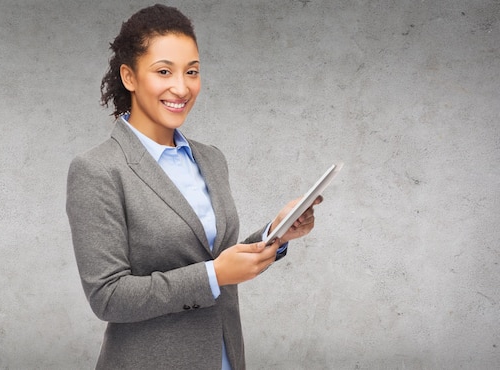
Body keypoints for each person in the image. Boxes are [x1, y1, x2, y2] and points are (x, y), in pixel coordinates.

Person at [66, 4, 321, 369]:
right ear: (129, 76)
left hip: (224, 357)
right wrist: (213, 275)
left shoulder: (210, 159)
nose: (181, 87)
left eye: (192, 72)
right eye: (164, 71)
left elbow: (216, 260)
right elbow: (108, 296)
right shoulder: (98, 170)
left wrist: (275, 232)